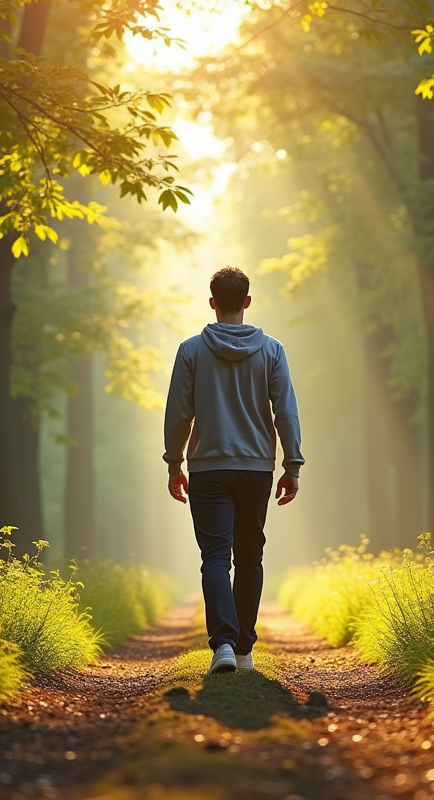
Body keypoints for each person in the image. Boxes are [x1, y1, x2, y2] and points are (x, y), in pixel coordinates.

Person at [162, 266, 304, 674]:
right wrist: (291, 464)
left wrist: (174, 462)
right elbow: (286, 413)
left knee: (215, 557)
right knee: (250, 557)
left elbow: (178, 415)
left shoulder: (190, 351)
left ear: (211, 303)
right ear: (247, 302)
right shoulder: (272, 350)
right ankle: (244, 651)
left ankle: (223, 644)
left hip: (208, 469)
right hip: (256, 469)